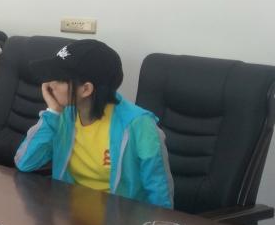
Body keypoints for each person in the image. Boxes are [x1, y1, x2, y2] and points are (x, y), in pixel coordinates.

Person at [14, 39, 174, 208]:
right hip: (68, 214)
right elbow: (25, 163)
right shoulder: (63, 114)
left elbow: (160, 193)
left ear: (86, 89)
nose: (49, 83)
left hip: (120, 219)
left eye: (59, 79)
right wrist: (52, 113)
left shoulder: (139, 124)